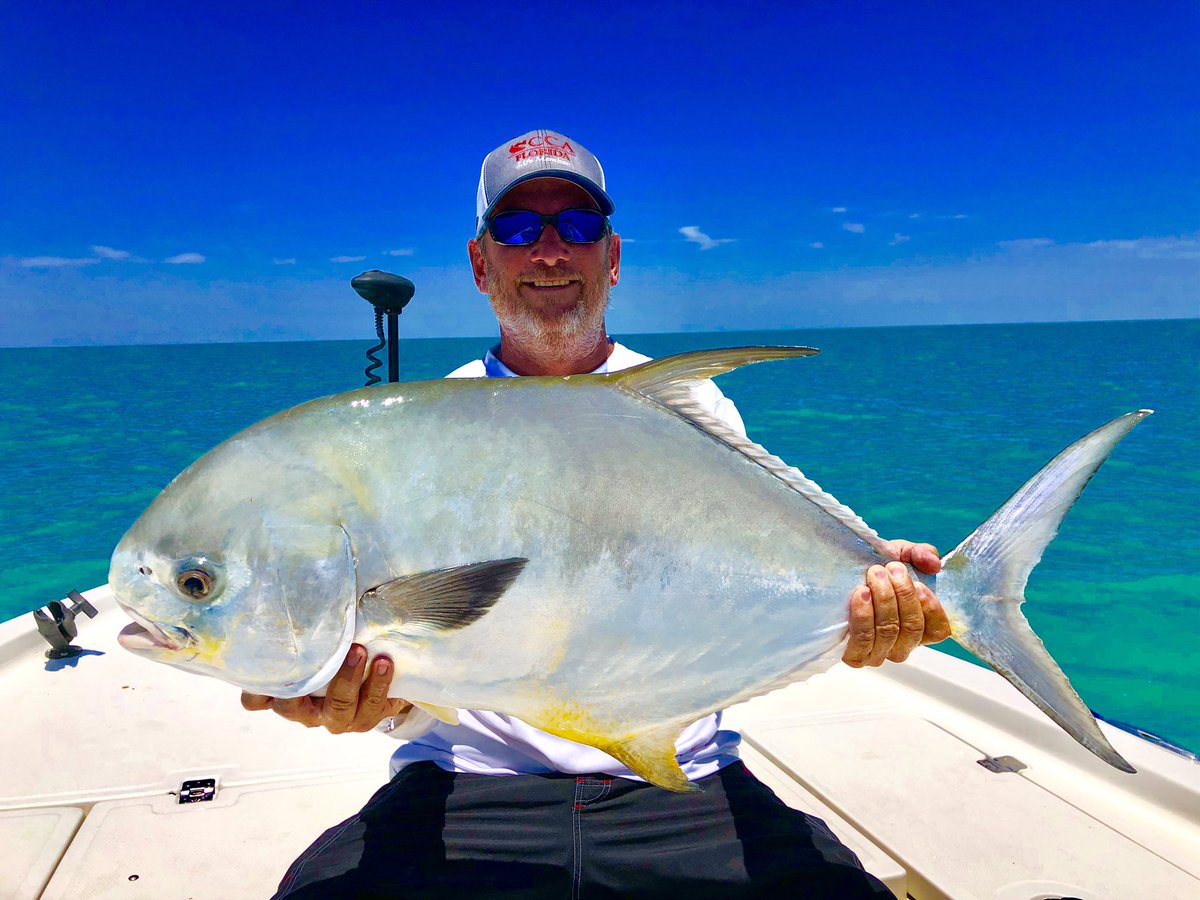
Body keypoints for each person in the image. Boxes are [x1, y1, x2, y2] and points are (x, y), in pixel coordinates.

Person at [244, 129, 951, 898]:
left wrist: (867, 598)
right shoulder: (428, 425)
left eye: (576, 227)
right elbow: (426, 673)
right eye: (518, 228)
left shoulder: (688, 402)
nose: (550, 250)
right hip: (468, 789)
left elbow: (737, 586)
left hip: (682, 784)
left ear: (611, 258)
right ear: (482, 265)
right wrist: (372, 701)